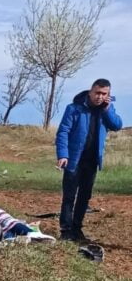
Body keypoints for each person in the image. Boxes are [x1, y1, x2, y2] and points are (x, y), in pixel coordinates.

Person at [56, 79, 123, 242]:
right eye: (97, 93)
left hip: (92, 160)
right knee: (69, 195)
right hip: (74, 159)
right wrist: (63, 154)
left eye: (104, 94)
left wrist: (107, 109)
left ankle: (77, 228)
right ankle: (66, 230)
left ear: (108, 95)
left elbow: (117, 125)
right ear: (90, 92)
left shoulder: (106, 109)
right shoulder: (74, 108)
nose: (100, 97)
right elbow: (63, 132)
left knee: (85, 196)